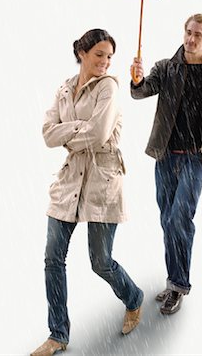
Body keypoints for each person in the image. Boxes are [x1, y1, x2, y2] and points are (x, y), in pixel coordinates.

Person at [31, 29, 143, 356]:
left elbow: (98, 133)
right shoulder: (65, 88)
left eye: (109, 57)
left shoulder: (109, 86)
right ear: (82, 52)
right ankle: (58, 335)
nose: (105, 62)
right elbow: (47, 134)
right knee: (53, 258)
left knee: (101, 261)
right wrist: (75, 132)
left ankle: (133, 298)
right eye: (99, 55)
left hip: (103, 179)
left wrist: (69, 134)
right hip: (69, 180)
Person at [130, 13, 202, 315]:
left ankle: (178, 285)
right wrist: (136, 79)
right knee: (167, 219)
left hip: (198, 157)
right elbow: (141, 92)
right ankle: (174, 279)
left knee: (178, 219)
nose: (190, 38)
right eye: (188, 32)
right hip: (165, 155)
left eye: (197, 35)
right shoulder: (167, 67)